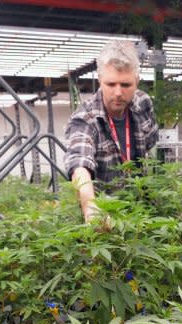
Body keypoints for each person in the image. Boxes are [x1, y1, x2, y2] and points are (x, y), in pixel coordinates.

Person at [64, 40, 158, 223]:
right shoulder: (85, 118)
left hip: (140, 211)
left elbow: (150, 142)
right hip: (105, 216)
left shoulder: (144, 103)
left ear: (137, 81)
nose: (118, 93)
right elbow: (79, 165)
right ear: (100, 80)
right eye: (110, 84)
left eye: (125, 85)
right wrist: (91, 207)